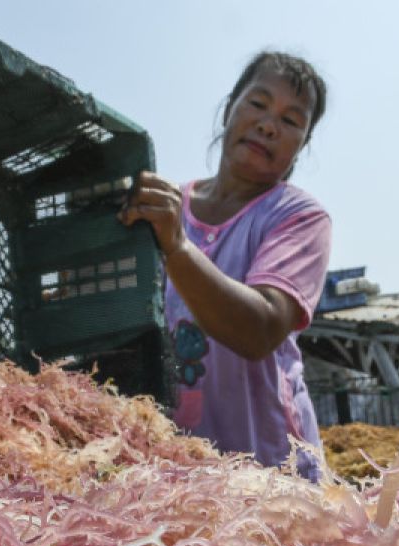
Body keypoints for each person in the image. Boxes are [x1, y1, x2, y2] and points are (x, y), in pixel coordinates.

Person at [119, 51, 332, 480]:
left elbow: (261, 329)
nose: (268, 125)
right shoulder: (161, 209)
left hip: (273, 469)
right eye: (257, 104)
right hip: (176, 473)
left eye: (291, 121)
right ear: (228, 109)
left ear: (301, 146)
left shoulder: (297, 217)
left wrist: (177, 247)